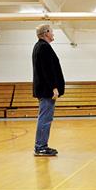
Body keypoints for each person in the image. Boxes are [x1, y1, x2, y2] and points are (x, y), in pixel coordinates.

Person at [32, 24, 65, 156]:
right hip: (47, 90)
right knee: (45, 118)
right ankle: (40, 146)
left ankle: (41, 145)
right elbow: (47, 70)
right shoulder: (43, 47)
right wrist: (54, 87)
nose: (53, 34)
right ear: (46, 33)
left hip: (44, 89)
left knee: (45, 117)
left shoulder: (39, 46)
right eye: (52, 32)